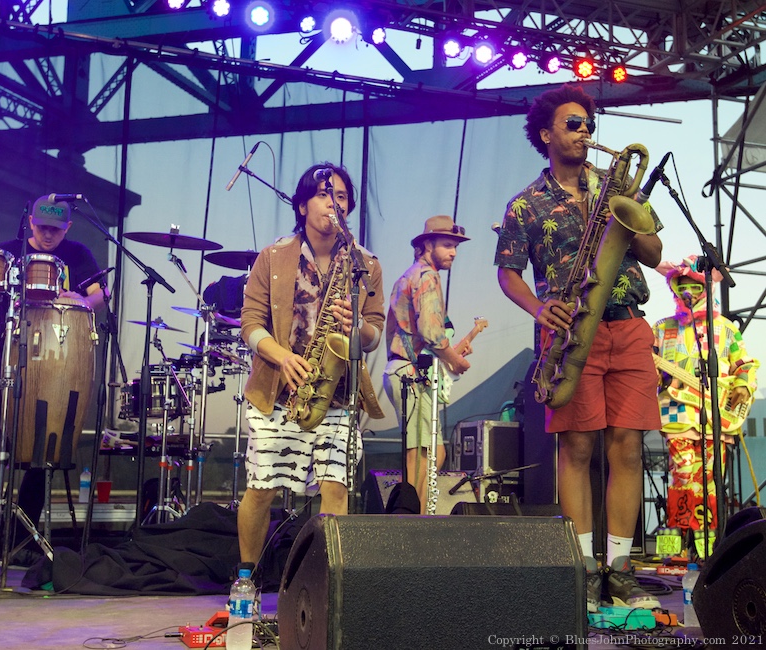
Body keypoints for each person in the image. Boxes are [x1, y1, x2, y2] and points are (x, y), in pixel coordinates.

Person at [494, 84, 664, 613]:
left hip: (629, 325)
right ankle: (584, 568)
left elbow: (655, 253)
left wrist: (624, 217)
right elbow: (508, 275)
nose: (585, 131)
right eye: (573, 123)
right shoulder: (525, 204)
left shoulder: (615, 186)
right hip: (568, 332)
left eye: (588, 123)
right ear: (546, 134)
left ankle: (618, 567)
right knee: (578, 449)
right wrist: (540, 309)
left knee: (628, 447)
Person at [0, 196, 106, 579]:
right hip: (3, 358)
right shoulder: (7, 253)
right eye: (42, 227)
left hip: (54, 364)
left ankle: (21, 545)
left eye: (55, 230)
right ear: (30, 222)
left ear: (67, 229)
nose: (47, 235)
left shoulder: (78, 254)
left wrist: (82, 298)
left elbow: (102, 292)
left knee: (42, 450)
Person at [237, 162, 385, 568]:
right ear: (302, 206)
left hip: (337, 394)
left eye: (340, 197)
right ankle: (246, 579)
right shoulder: (272, 257)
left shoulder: (365, 264)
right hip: (279, 392)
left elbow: (375, 331)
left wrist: (356, 328)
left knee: (335, 488)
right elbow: (250, 323)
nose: (333, 203)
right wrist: (281, 356)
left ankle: (327, 584)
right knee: (262, 487)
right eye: (324, 194)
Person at [653, 255, 758, 557]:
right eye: (680, 285)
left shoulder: (725, 328)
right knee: (683, 475)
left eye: (693, 286)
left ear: (705, 289)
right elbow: (644, 366)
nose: (687, 291)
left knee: (710, 482)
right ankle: (674, 550)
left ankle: (707, 550)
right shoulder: (661, 328)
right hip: (677, 413)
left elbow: (745, 364)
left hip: (717, 415)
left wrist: (740, 385)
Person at [383, 215, 472, 514]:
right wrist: (455, 360)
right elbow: (433, 333)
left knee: (430, 452)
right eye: (447, 245)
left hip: (403, 369)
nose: (454, 253)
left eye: (456, 247)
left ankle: (414, 518)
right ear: (427, 245)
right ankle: (413, 525)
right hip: (410, 372)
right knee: (424, 454)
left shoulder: (409, 275)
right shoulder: (426, 276)